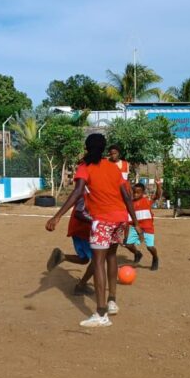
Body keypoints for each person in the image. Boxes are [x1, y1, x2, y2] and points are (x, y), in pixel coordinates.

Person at [46, 134, 143, 328]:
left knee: (98, 262)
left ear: (87, 147)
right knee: (111, 257)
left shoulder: (85, 167)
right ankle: (112, 301)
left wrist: (57, 216)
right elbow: (126, 195)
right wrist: (135, 222)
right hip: (120, 218)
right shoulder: (112, 167)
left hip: (103, 220)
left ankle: (100, 313)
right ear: (104, 148)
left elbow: (77, 191)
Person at [46, 196, 95, 295]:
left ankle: (62, 257)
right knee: (98, 260)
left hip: (80, 229)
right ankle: (81, 286)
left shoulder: (89, 191)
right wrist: (96, 221)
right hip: (83, 230)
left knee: (84, 259)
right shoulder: (86, 192)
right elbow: (78, 213)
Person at [123, 180, 162, 270]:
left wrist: (158, 185)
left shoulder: (147, 200)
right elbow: (127, 223)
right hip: (135, 228)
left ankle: (155, 258)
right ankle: (137, 254)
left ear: (143, 193)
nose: (135, 194)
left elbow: (157, 195)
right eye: (134, 192)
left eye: (138, 192)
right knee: (128, 245)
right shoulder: (130, 204)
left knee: (150, 247)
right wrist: (125, 237)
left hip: (148, 228)